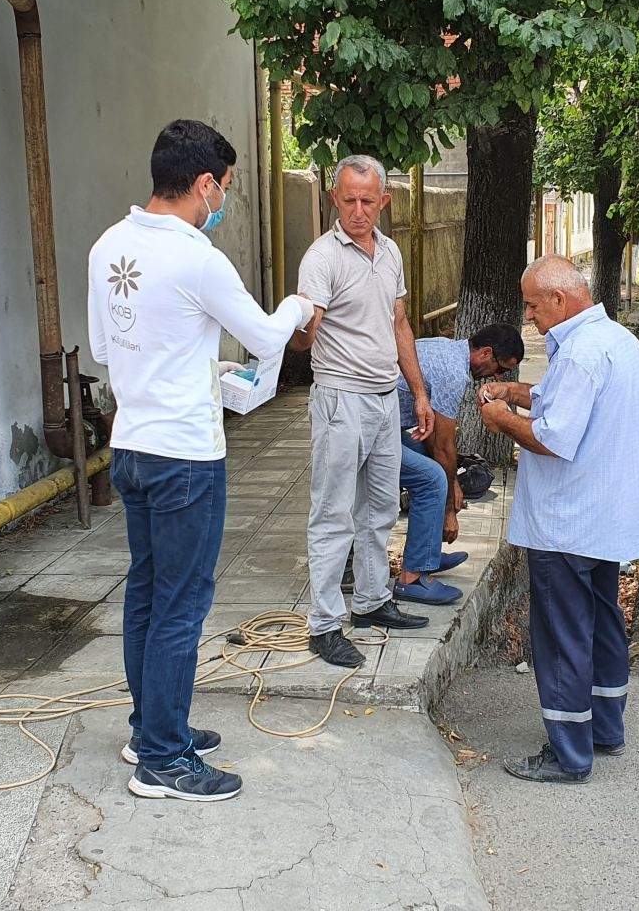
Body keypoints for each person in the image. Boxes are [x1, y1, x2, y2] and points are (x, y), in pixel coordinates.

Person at [88, 119, 314, 802]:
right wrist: (300, 303)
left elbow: (110, 349)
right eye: (226, 189)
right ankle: (163, 759)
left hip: (130, 447)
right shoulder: (196, 256)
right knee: (182, 606)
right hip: (184, 457)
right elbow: (266, 336)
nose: (224, 202)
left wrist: (197, 368)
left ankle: (151, 727)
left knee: (148, 594)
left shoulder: (108, 247)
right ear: (205, 183)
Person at [478, 255, 639, 783]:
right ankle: (604, 728)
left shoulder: (578, 353)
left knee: (561, 632)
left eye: (532, 306)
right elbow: (568, 404)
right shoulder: (615, 340)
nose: (529, 318)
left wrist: (502, 418)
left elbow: (553, 436)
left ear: (558, 298)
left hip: (565, 520)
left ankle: (569, 754)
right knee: (600, 621)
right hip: (603, 517)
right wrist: (516, 392)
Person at [291, 155, 435, 668]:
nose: (358, 211)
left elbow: (399, 324)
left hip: (382, 397)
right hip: (339, 399)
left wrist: (418, 392)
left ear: (384, 201)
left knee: (378, 511)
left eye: (367, 201)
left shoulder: (390, 252)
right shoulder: (321, 258)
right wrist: (298, 326)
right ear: (334, 199)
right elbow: (306, 337)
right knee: (333, 514)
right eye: (348, 200)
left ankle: (372, 602)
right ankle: (324, 625)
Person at [345, 324, 525, 605]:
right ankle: (412, 580)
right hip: (363, 430)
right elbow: (443, 445)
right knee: (433, 477)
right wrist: (450, 507)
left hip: (377, 424)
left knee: (436, 467)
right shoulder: (453, 373)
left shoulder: (446, 349)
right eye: (500, 368)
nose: (499, 376)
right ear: (486, 353)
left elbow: (435, 441)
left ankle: (425, 551)